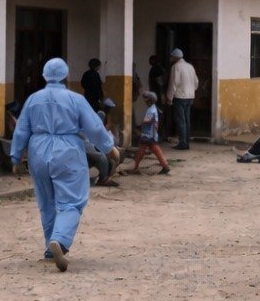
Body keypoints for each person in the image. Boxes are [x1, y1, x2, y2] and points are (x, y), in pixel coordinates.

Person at [10, 58, 118, 272]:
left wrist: (15, 156)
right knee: (72, 200)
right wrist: (109, 148)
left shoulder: (33, 100)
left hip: (38, 150)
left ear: (44, 76)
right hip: (67, 150)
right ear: (66, 76)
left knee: (46, 201)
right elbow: (95, 127)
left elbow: (21, 129)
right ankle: (59, 240)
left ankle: (50, 248)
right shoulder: (75, 99)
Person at [126, 90, 171, 175]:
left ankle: (135, 167)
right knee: (154, 150)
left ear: (149, 100)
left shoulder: (151, 110)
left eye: (146, 99)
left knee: (141, 151)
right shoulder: (153, 108)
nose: (145, 101)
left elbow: (147, 121)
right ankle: (165, 166)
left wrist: (140, 127)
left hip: (148, 135)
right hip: (152, 134)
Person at [84, 98, 120, 187]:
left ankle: (105, 176)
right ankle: (103, 179)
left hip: (96, 140)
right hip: (90, 141)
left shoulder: (104, 114)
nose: (110, 109)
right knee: (102, 158)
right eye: (109, 107)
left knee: (108, 158)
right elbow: (98, 129)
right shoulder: (101, 114)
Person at [168, 47, 198, 150]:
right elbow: (196, 82)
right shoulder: (190, 66)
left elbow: (173, 83)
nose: (171, 58)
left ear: (175, 57)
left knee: (181, 120)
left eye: (171, 56)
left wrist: (169, 97)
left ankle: (183, 143)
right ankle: (186, 142)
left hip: (180, 97)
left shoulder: (175, 67)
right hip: (190, 96)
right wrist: (191, 91)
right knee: (187, 120)